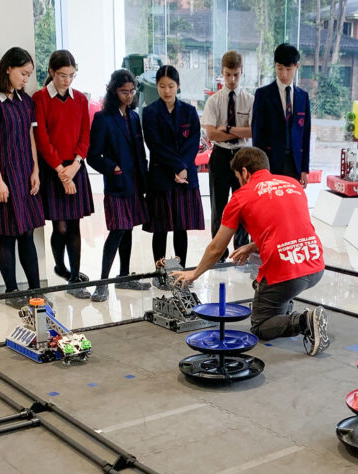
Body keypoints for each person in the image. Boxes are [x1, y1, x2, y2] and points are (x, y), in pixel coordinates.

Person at [170, 147, 329, 356]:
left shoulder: (241, 196)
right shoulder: (292, 184)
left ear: (244, 172)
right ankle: (286, 308)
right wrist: (253, 245)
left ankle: (303, 321)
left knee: (261, 326)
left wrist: (194, 273)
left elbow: (217, 247)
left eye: (237, 177)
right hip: (315, 266)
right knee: (263, 280)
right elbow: (288, 226)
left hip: (286, 274)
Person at [0, 47, 45, 309]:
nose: (26, 79)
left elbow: (30, 138)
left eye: (29, 75)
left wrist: (36, 170)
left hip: (25, 174)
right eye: (23, 73)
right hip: (4, 176)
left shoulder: (25, 101)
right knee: (8, 234)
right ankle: (11, 291)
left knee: (27, 232)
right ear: (8, 68)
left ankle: (36, 289)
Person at [32, 50, 95, 299]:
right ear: (51, 72)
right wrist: (61, 171)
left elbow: (85, 135)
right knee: (59, 226)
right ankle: (60, 266)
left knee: (75, 225)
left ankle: (75, 278)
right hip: (53, 169)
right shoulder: (40, 98)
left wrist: (76, 165)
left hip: (75, 167)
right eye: (62, 75)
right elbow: (42, 139)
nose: (67, 80)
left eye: (71, 75)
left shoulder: (80, 99)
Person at [88, 69, 152, 302]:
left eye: (132, 91)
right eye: (124, 91)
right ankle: (102, 283)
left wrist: (144, 180)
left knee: (128, 230)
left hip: (135, 183)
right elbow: (93, 155)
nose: (128, 95)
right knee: (117, 230)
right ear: (114, 91)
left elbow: (140, 152)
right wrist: (112, 167)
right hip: (117, 183)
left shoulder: (134, 117)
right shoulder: (103, 118)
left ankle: (124, 277)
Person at [141, 65, 205, 286]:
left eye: (170, 86)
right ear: (156, 87)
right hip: (161, 176)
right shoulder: (149, 112)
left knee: (181, 226)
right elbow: (155, 145)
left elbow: (193, 142)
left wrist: (184, 168)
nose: (166, 91)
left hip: (185, 177)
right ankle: (159, 272)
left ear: (178, 86)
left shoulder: (189, 111)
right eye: (162, 86)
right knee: (160, 228)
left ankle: (182, 273)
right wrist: (177, 166)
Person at [202, 50, 253, 261]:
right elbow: (211, 133)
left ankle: (241, 249)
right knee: (219, 206)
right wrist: (235, 130)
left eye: (236, 75)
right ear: (222, 73)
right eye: (228, 75)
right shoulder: (214, 101)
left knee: (243, 207)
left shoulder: (250, 99)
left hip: (242, 156)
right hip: (220, 156)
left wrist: (228, 127)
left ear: (242, 73)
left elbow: (252, 131)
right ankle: (219, 253)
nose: (232, 80)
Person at [251, 43, 312, 186]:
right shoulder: (263, 94)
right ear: (275, 65)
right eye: (279, 68)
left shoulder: (303, 97)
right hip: (270, 162)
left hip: (294, 163)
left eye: (288, 69)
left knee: (290, 204)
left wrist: (304, 168)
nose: (284, 74)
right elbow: (257, 134)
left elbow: (305, 134)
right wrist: (259, 168)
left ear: (297, 67)